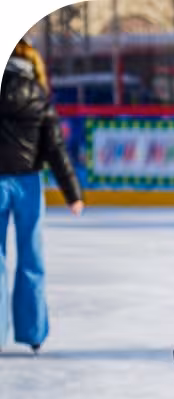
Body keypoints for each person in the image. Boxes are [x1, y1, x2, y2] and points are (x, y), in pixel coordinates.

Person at [0, 39, 83, 353]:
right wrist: (72, 194)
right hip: (28, 185)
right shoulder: (38, 96)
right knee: (31, 258)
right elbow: (55, 150)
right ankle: (33, 332)